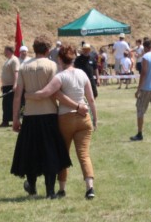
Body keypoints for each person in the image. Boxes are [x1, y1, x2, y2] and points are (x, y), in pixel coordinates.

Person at [25, 44, 98, 200]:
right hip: (84, 118)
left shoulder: (60, 77)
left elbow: (44, 93)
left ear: (60, 59)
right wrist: (95, 119)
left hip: (66, 118)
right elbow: (91, 99)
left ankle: (62, 189)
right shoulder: (82, 74)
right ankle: (90, 188)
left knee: (63, 154)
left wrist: (27, 94)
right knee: (84, 154)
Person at [10, 36, 72, 199]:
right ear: (48, 50)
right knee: (50, 153)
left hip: (30, 115)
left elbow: (18, 95)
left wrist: (15, 118)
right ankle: (50, 191)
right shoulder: (53, 66)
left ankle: (32, 187)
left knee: (31, 152)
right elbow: (56, 91)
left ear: (34, 48)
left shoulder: (24, 66)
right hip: (49, 114)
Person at [0, 46, 20, 127]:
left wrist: (15, 84)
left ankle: (11, 121)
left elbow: (16, 72)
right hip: (6, 86)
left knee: (10, 105)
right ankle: (5, 121)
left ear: (9, 51)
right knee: (6, 105)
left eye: (5, 51)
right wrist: (3, 85)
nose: (4, 52)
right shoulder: (8, 60)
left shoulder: (14, 60)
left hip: (11, 86)